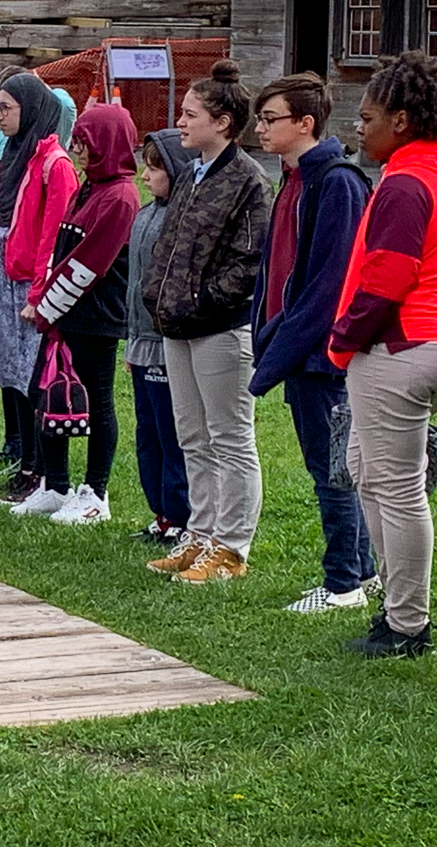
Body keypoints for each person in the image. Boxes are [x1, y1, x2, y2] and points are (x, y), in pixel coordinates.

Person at [327, 51, 437, 658]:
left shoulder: (407, 181)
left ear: (402, 117)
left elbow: (387, 278)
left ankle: (406, 624)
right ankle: (396, 610)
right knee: (369, 470)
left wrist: (344, 339)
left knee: (394, 486)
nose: (358, 129)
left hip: (401, 344)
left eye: (367, 118)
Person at [246, 72, 377, 613]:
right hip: (295, 346)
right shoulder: (293, 178)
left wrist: (277, 352)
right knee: (329, 464)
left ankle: (345, 580)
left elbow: (328, 283)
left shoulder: (337, 182)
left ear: (306, 123)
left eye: (271, 118)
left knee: (334, 470)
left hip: (322, 355)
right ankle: (362, 570)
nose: (261, 128)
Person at [140, 61, 271, 585]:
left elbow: (249, 261)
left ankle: (232, 547)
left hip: (221, 327)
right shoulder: (194, 173)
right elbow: (171, 245)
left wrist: (201, 300)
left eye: (191, 114)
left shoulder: (248, 181)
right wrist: (162, 296)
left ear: (222, 122)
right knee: (192, 435)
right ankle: (201, 532)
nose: (181, 122)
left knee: (230, 435)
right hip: (178, 326)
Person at [8, 103, 141, 525]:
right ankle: (55, 485)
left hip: (95, 316)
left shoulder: (120, 197)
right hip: (64, 315)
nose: (78, 150)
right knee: (47, 392)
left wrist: (46, 308)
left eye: (85, 143)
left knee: (97, 401)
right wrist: (46, 299)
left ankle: (95, 493)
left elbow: (88, 264)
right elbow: (62, 250)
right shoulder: (89, 187)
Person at [0, 67, 77, 468]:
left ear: (32, 109)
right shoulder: (7, 156)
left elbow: (53, 237)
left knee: (32, 372)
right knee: (8, 366)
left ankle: (38, 464)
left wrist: (40, 293)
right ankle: (18, 450)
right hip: (5, 274)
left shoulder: (54, 165)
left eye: (5, 107)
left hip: (29, 281)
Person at [121, 131, 195, 545]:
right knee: (147, 432)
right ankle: (162, 513)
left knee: (172, 435)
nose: (145, 176)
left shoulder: (179, 219)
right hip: (140, 339)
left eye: (155, 167)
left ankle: (183, 514)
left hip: (166, 342)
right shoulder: (146, 214)